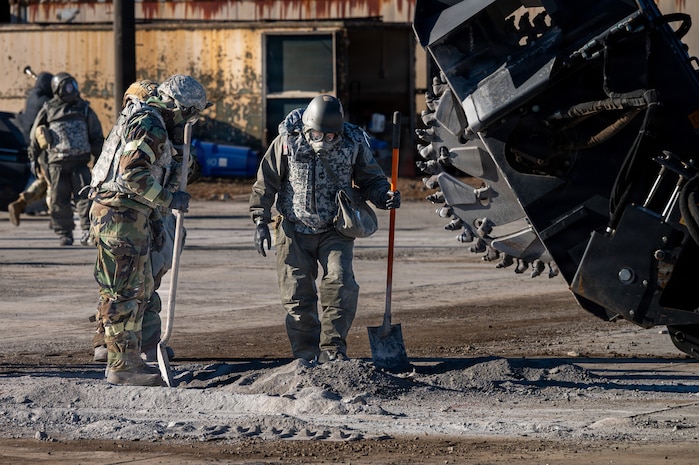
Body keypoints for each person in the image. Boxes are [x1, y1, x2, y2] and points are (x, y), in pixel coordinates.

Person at [249, 95, 401, 363]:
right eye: (318, 134)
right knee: (297, 296)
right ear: (308, 127)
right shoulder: (286, 141)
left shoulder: (353, 142)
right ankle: (306, 355)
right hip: (293, 229)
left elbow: (371, 180)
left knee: (341, 285)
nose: (324, 140)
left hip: (335, 229)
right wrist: (260, 221)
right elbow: (266, 182)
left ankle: (333, 349)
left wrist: (383, 195)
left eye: (331, 136)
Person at [89, 74, 209, 386]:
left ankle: (137, 352)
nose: (188, 122)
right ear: (178, 107)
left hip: (132, 214)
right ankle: (123, 366)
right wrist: (170, 198)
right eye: (189, 115)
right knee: (124, 291)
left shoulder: (154, 121)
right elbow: (132, 176)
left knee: (139, 288)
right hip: (120, 215)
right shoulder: (150, 123)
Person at [28, 72, 104, 246]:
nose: (72, 90)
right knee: (58, 200)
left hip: (80, 162)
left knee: (85, 198)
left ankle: (87, 230)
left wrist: (100, 160)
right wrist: (33, 156)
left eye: (73, 86)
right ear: (57, 88)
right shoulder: (49, 108)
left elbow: (96, 135)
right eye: (67, 86)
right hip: (57, 164)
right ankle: (65, 233)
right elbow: (36, 134)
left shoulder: (83, 108)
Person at [8, 71, 53, 226]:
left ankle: (20, 202)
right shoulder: (45, 102)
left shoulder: (32, 98)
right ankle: (57, 217)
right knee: (53, 182)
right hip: (45, 147)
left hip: (34, 145)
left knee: (43, 180)